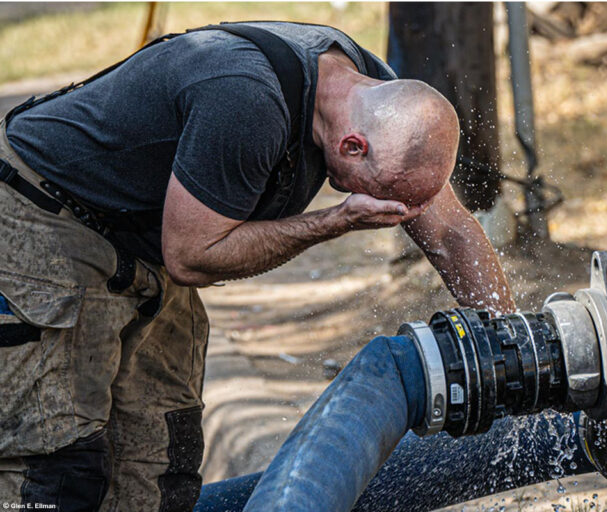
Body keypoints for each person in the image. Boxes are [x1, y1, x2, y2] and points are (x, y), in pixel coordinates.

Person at [0, 21, 513, 511]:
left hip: (149, 233)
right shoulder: (247, 102)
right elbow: (192, 256)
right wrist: (333, 222)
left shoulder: (379, 100)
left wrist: (509, 351)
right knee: (58, 462)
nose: (397, 216)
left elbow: (450, 233)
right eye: (388, 200)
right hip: (46, 212)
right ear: (352, 146)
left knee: (160, 462)